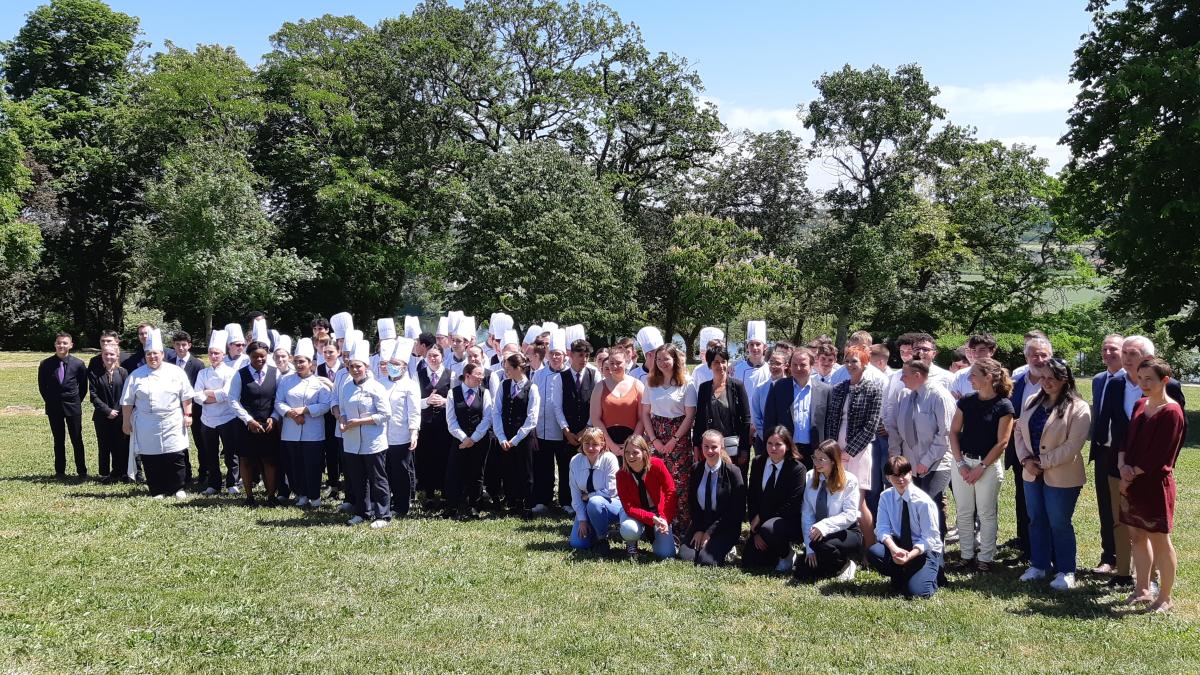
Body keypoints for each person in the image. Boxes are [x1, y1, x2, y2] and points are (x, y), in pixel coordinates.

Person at [1094, 335, 1185, 588]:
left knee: (1154, 531)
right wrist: (1123, 465)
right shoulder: (1123, 392)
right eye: (1124, 353)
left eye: (1132, 353)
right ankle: (1127, 577)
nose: (1125, 358)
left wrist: (1139, 469)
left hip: (1152, 473)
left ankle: (1155, 584)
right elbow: (1119, 431)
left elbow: (1172, 439)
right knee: (1125, 525)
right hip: (1120, 466)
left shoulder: (1171, 398)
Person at [1014, 358, 1091, 590]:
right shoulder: (1030, 401)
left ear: (1064, 379)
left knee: (1059, 522)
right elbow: (1018, 430)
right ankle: (1039, 565)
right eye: (1043, 378)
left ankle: (1066, 570)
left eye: (1052, 378)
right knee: (1036, 520)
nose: (1046, 383)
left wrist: (1043, 462)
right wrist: (1026, 460)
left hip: (1062, 474)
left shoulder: (1079, 408)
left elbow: (1072, 446)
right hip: (1031, 472)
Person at [1118, 357, 1185, 613]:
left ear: (1164, 381)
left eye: (1150, 379)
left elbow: (1160, 454)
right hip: (1132, 481)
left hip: (1155, 484)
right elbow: (1126, 440)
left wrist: (1130, 474)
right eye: (1140, 378)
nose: (1143, 384)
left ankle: (1165, 598)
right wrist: (1123, 465)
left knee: (1160, 540)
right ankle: (1142, 589)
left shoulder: (1172, 411)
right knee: (1136, 536)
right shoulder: (1139, 404)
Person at [947, 358, 1014, 572]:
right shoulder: (966, 401)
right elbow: (954, 432)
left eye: (973, 375)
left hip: (988, 465)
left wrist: (981, 467)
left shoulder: (1004, 405)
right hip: (962, 462)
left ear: (989, 377)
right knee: (964, 511)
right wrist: (960, 463)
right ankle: (966, 555)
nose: (969, 378)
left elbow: (1002, 442)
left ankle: (986, 557)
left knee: (986, 513)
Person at [120, 329, 194, 498]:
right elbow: (127, 401)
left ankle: (178, 487)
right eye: (149, 354)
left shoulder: (176, 372)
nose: (152, 357)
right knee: (151, 456)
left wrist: (188, 414)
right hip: (146, 422)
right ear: (145, 355)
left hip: (172, 419)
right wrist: (126, 422)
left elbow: (187, 395)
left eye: (156, 354)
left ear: (162, 354)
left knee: (175, 454)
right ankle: (157, 488)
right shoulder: (136, 375)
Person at [822, 345, 883, 548]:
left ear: (865, 363)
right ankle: (841, 544)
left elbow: (871, 426)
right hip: (836, 450)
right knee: (836, 497)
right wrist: (833, 450)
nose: (850, 365)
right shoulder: (839, 389)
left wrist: (850, 451)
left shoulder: (873, 390)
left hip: (859, 452)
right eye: (847, 360)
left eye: (854, 361)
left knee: (858, 501)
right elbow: (831, 420)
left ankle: (869, 548)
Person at [890, 360, 954, 538]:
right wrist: (896, 457)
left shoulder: (939, 396)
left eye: (905, 375)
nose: (902, 379)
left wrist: (926, 462)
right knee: (913, 502)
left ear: (917, 375)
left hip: (936, 462)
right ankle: (918, 544)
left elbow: (945, 434)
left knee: (930, 502)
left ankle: (936, 548)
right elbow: (896, 428)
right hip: (911, 461)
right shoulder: (906, 396)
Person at [1004, 335, 1054, 562]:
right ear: (1026, 358)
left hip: (1052, 454)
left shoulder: (1058, 382)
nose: (1040, 359)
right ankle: (1027, 548)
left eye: (1044, 355)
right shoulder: (1016, 382)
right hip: (1021, 453)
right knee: (1024, 500)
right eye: (1035, 354)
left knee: (1052, 504)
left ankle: (1051, 550)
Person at [868, 455, 944, 598]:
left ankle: (934, 573)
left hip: (923, 551)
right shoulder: (885, 497)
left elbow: (930, 538)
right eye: (895, 475)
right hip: (900, 546)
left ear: (911, 473)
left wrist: (910, 555)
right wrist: (894, 549)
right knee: (874, 552)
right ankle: (903, 574)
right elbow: (882, 529)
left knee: (917, 593)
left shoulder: (923, 502)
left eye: (904, 474)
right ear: (887, 477)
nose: (900, 479)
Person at [641, 343, 697, 532]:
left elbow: (690, 416)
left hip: (678, 437)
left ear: (674, 360)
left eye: (666, 358)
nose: (662, 362)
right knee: (656, 481)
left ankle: (682, 526)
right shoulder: (650, 383)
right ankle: (660, 524)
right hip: (656, 434)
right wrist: (654, 439)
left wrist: (673, 440)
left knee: (679, 483)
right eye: (658, 359)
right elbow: (645, 414)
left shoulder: (686, 383)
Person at [337, 339, 391, 527]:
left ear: (366, 366)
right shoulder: (346, 386)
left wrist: (360, 422)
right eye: (351, 366)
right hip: (351, 441)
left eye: (358, 366)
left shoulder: (377, 387)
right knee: (358, 479)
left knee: (377, 479)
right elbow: (342, 410)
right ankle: (362, 512)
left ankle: (383, 515)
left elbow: (385, 414)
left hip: (373, 441)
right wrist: (343, 421)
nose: (355, 369)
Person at [275, 338, 332, 508]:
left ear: (310, 363)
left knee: (312, 464)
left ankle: (314, 496)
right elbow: (278, 402)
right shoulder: (286, 381)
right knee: (295, 464)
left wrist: (305, 410)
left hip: (313, 431)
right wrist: (292, 413)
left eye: (302, 362)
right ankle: (301, 494)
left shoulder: (319, 382)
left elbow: (325, 405)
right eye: (297, 361)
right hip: (291, 429)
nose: (299, 365)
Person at [796, 439, 863, 581]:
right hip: (817, 534)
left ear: (833, 461)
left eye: (822, 459)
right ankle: (828, 564)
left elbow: (850, 515)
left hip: (847, 531)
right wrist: (809, 549)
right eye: (815, 458)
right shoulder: (809, 477)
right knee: (802, 572)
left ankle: (846, 564)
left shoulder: (850, 480)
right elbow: (807, 514)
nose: (817, 463)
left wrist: (823, 526)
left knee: (822, 545)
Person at [743, 426, 806, 571]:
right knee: (750, 562)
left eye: (778, 444)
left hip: (787, 521)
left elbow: (793, 504)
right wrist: (755, 532)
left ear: (788, 446)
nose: (773, 448)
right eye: (770, 443)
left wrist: (762, 517)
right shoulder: (758, 462)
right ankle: (773, 551)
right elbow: (752, 497)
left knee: (769, 529)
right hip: (761, 524)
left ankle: (787, 554)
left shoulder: (797, 469)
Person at [1088, 333, 1125, 577]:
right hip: (1102, 451)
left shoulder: (1132, 381)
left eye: (1114, 349)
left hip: (1126, 453)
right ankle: (1109, 557)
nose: (1108, 353)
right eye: (1105, 349)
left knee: (1125, 508)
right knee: (1105, 506)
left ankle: (1129, 558)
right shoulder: (1099, 380)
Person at [680, 430, 745, 566]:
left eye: (714, 447)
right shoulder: (696, 469)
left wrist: (709, 533)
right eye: (706, 446)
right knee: (687, 557)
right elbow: (693, 502)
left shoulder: (733, 472)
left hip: (724, 525)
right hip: (702, 521)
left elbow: (736, 510)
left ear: (722, 447)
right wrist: (698, 529)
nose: (710, 450)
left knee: (706, 562)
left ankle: (728, 548)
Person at [229, 341, 282, 506]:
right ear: (249, 356)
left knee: (269, 460)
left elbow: (279, 399)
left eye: (262, 356)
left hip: (269, 424)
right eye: (255, 356)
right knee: (245, 459)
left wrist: (273, 417)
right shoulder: (240, 374)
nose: (259, 359)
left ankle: (271, 495)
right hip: (247, 424)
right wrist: (248, 420)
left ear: (268, 356)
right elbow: (233, 400)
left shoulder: (276, 373)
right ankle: (249, 496)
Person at [552, 339, 600, 516]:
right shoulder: (560, 377)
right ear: (571, 355)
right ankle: (566, 501)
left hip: (588, 430)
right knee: (566, 466)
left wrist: (587, 428)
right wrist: (566, 430)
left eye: (587, 355)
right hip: (568, 430)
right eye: (580, 355)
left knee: (588, 466)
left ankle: (588, 499)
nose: (584, 359)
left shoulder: (593, 374)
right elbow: (557, 406)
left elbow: (595, 403)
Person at [762, 347, 831, 468]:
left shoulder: (825, 390)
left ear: (812, 365)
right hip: (786, 449)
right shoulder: (779, 387)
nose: (798, 368)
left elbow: (829, 423)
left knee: (812, 485)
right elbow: (769, 420)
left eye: (803, 365)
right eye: (794, 364)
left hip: (815, 451)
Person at [193, 330, 241, 496]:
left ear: (223, 354)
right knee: (210, 453)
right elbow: (196, 396)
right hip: (207, 419)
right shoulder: (202, 373)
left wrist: (207, 393)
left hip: (228, 418)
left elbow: (227, 394)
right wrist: (213, 395)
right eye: (211, 353)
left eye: (217, 353)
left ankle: (232, 482)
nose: (214, 356)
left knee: (231, 453)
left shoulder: (231, 372)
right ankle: (214, 483)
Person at [491, 352, 540, 515]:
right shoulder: (504, 385)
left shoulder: (531, 388)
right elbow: (496, 411)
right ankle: (512, 502)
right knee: (508, 470)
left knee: (525, 471)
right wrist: (501, 436)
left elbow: (532, 418)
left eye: (509, 368)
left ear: (519, 368)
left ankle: (527, 504)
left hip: (523, 437)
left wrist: (516, 439)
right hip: (505, 435)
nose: (506, 372)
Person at [692, 346, 752, 476]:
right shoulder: (704, 388)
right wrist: (696, 446)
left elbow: (746, 419)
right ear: (709, 365)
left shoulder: (737, 387)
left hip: (732, 448)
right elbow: (699, 420)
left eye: (723, 361)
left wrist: (744, 449)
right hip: (710, 448)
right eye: (716, 362)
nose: (720, 366)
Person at [615, 435, 677, 559]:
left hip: (658, 512)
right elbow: (629, 507)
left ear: (645, 452)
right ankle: (631, 542)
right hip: (634, 513)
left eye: (635, 452)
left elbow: (671, 491)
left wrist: (664, 518)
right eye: (627, 452)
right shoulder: (621, 475)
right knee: (629, 528)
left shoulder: (657, 464)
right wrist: (651, 518)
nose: (630, 456)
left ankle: (653, 536)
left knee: (666, 554)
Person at [446, 362, 493, 519]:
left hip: (479, 440)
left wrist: (473, 439)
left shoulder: (484, 393)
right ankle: (453, 505)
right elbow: (451, 420)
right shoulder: (453, 393)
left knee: (476, 473)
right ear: (467, 375)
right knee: (455, 472)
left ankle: (474, 505)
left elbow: (487, 418)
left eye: (482, 375)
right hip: (459, 441)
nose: (481, 377)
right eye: (478, 374)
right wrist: (464, 438)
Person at [38, 332, 89, 478]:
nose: (61, 345)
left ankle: (82, 471)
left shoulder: (78, 364)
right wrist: (51, 400)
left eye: (65, 343)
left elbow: (83, 387)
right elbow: (42, 387)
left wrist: (75, 400)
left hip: (73, 406)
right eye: (59, 343)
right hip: (54, 407)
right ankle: (60, 471)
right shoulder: (46, 364)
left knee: (77, 439)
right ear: (55, 344)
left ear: (71, 345)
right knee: (58, 440)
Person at [530, 330, 569, 514]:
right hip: (542, 430)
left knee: (565, 468)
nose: (555, 357)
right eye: (552, 354)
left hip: (563, 432)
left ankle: (566, 501)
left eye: (558, 354)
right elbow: (534, 404)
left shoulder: (568, 374)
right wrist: (534, 432)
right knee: (542, 468)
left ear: (564, 356)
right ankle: (542, 500)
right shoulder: (539, 374)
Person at [382, 337, 422, 518]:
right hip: (382, 435)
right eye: (391, 363)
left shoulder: (410, 385)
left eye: (396, 364)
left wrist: (414, 432)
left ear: (404, 367)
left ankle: (402, 505)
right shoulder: (382, 383)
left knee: (401, 471)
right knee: (386, 471)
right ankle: (387, 502)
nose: (393, 366)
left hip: (402, 435)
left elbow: (414, 412)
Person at [567, 427, 623, 552]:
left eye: (595, 444)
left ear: (602, 445)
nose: (591, 448)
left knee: (595, 502)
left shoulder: (609, 458)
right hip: (588, 506)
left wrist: (589, 496)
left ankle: (602, 537)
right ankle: (594, 529)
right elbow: (575, 493)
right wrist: (582, 519)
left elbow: (611, 491)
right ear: (582, 444)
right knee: (578, 544)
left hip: (612, 503)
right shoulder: (575, 461)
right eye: (587, 444)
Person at [417, 344, 453, 512]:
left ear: (442, 357)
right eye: (430, 355)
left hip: (445, 426)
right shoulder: (419, 375)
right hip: (425, 425)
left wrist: (445, 402)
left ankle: (446, 495)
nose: (433, 358)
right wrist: (426, 402)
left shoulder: (451, 375)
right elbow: (414, 401)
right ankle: (430, 495)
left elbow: (455, 399)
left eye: (436, 355)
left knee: (444, 459)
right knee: (427, 459)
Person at [589, 347, 644, 455]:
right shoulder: (600, 387)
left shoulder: (638, 385)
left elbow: (642, 418)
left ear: (627, 362)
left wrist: (632, 444)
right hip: (606, 442)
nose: (614, 366)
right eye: (611, 363)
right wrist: (610, 444)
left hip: (633, 444)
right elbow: (595, 418)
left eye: (618, 363)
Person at [87, 344, 129, 483]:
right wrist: (107, 410)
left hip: (120, 415)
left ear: (117, 356)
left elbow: (126, 394)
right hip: (102, 416)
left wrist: (117, 410)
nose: (109, 357)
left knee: (120, 445)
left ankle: (120, 472)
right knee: (104, 445)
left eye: (112, 354)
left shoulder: (123, 372)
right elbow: (93, 396)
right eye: (106, 354)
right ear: (102, 356)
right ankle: (104, 473)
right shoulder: (95, 373)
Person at [169, 331, 205, 485]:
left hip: (195, 410)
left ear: (189, 345)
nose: (181, 348)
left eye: (184, 345)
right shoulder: (169, 363)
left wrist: (189, 410)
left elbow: (199, 388)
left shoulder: (197, 364)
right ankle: (185, 474)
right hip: (175, 409)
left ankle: (204, 474)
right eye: (178, 345)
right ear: (173, 346)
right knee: (179, 443)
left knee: (200, 443)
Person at [750, 343, 793, 456]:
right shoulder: (761, 388)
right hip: (765, 440)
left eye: (778, 363)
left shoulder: (792, 387)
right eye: (771, 363)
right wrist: (766, 436)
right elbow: (756, 416)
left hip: (787, 441)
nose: (774, 366)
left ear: (786, 365)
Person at [316, 341, 342, 499]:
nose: (327, 355)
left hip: (341, 416)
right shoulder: (319, 369)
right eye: (325, 352)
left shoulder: (345, 369)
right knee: (330, 452)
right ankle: (333, 485)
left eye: (331, 352)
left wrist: (331, 385)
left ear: (338, 352)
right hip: (325, 417)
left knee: (343, 453)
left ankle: (346, 484)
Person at [950, 333, 997, 400]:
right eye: (974, 350)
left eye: (982, 350)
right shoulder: (960, 375)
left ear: (992, 351)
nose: (976, 355)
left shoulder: (1000, 376)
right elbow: (954, 403)